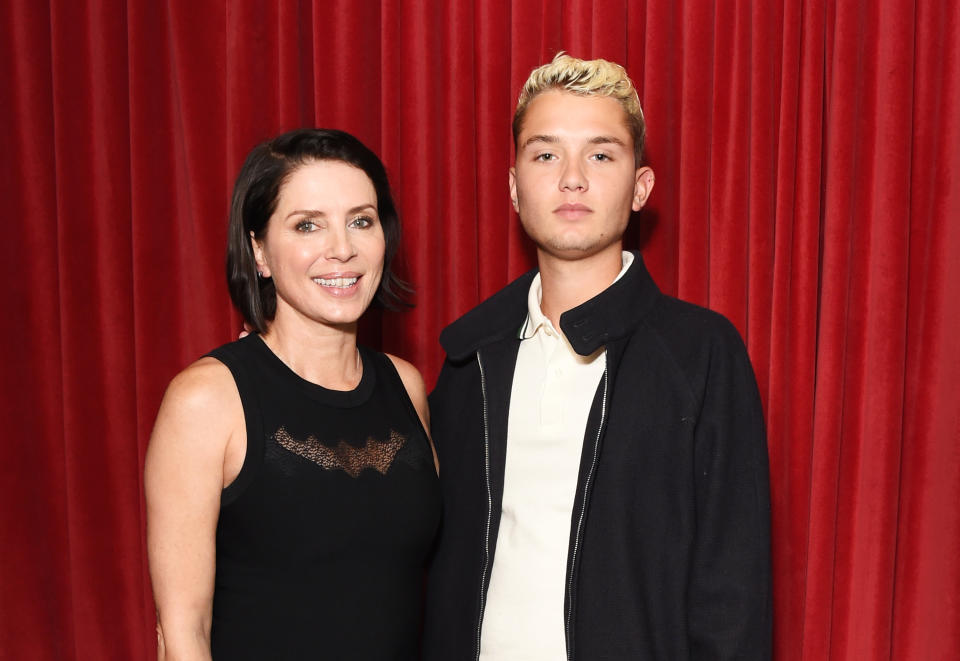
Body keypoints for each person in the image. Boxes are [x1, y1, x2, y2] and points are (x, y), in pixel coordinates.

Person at [424, 53, 771, 659]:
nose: (572, 178)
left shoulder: (700, 354)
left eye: (601, 154)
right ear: (514, 186)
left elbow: (732, 590)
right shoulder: (467, 359)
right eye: (546, 153)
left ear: (641, 187)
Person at [145, 128, 440, 660]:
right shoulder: (208, 400)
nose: (342, 249)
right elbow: (182, 632)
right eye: (308, 225)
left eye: (361, 221)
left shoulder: (407, 385)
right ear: (258, 251)